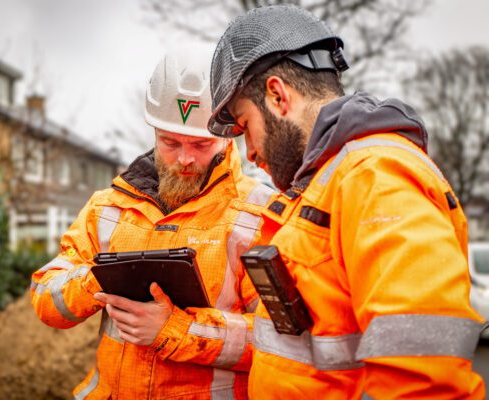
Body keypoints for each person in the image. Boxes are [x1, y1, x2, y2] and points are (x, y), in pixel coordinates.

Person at [207, 5, 486, 399]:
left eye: (244, 125)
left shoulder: (374, 176)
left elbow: (423, 379)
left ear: (277, 96)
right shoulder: (328, 184)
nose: (248, 151)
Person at [30, 46, 276, 400]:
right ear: (154, 131)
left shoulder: (259, 216)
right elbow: (45, 298)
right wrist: (98, 278)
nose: (185, 158)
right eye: (170, 142)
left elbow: (281, 343)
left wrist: (175, 329)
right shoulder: (109, 207)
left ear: (228, 134)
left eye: (201, 144)